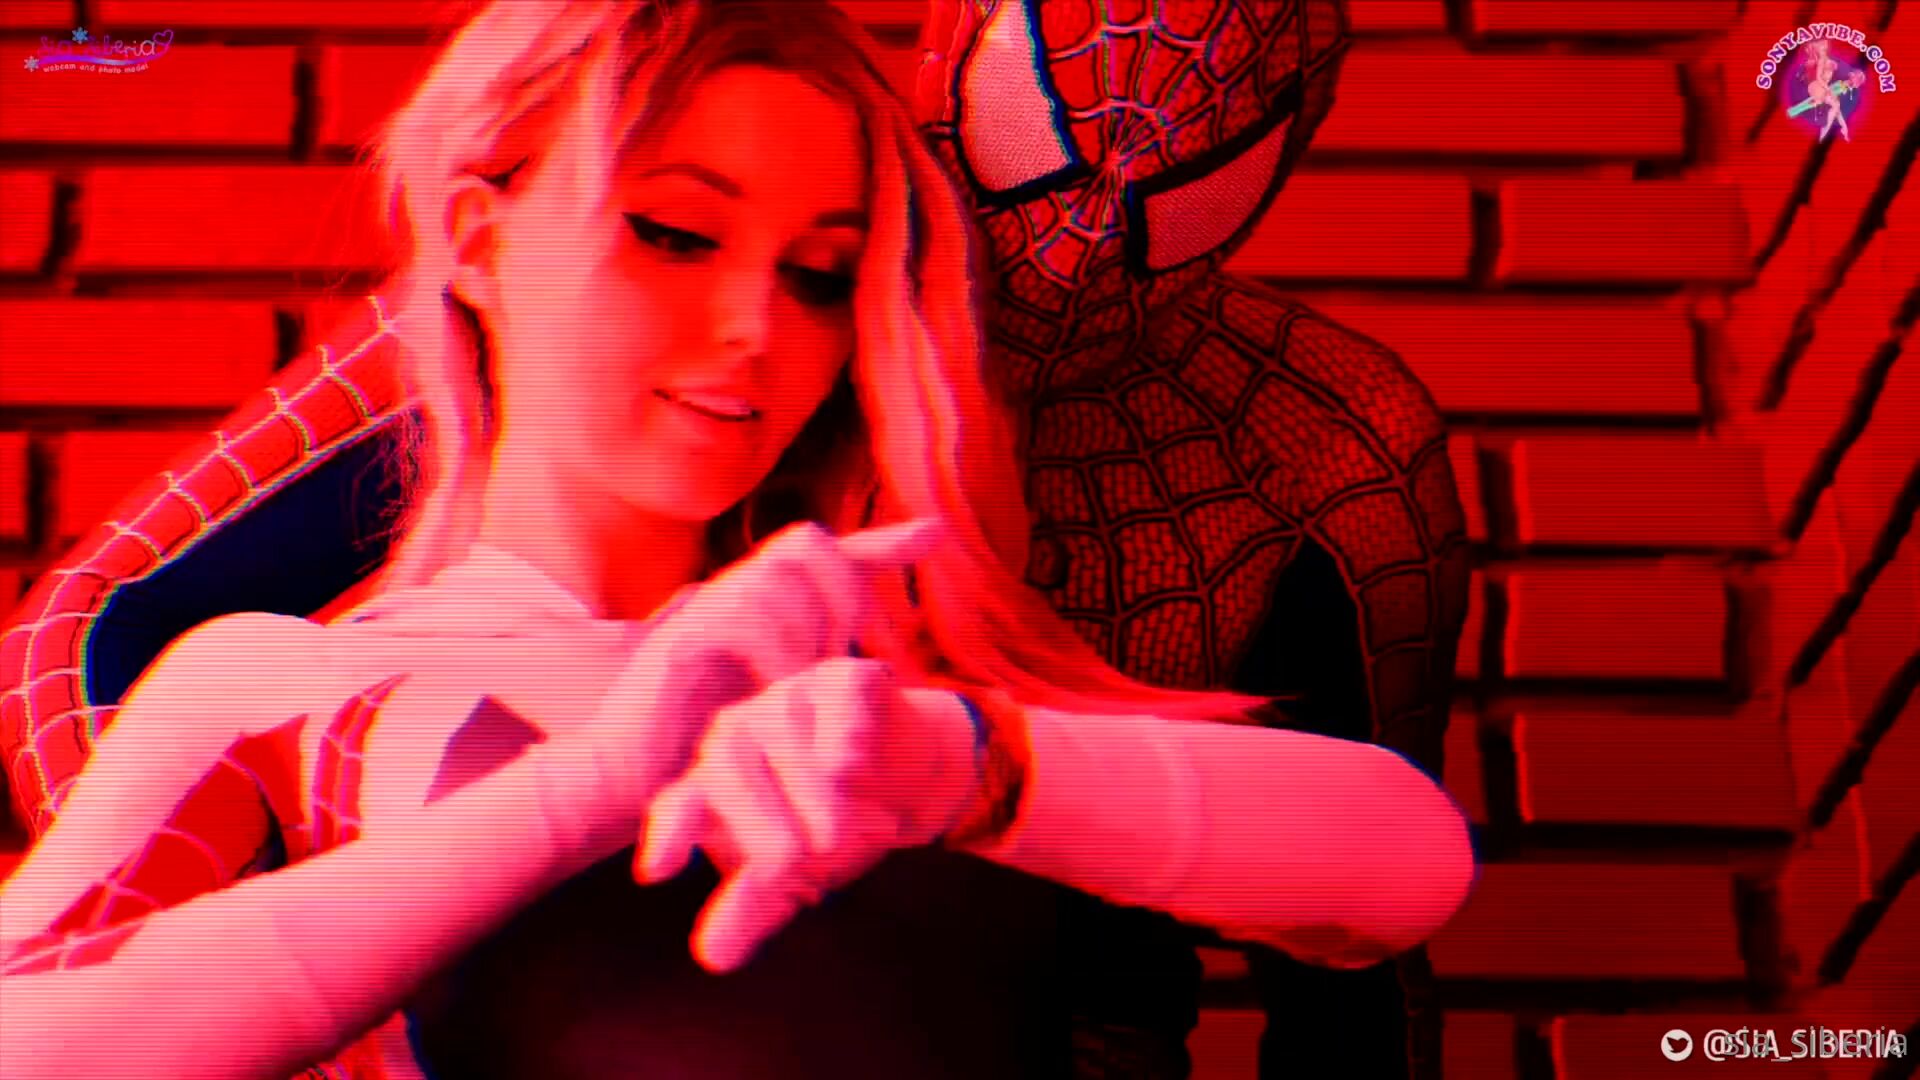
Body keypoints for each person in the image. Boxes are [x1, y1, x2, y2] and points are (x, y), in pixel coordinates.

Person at [0, 2, 1474, 1078]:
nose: (754, 330)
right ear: (482, 240)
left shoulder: (904, 658)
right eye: (675, 234)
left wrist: (966, 766)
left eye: (822, 273)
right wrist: (587, 788)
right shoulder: (283, 683)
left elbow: (1405, 869)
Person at [910, 1, 1475, 1076]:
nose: (1080, 246)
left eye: (1183, 196)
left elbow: (1357, 945)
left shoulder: (1319, 434)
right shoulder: (785, 280)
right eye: (1027, 131)